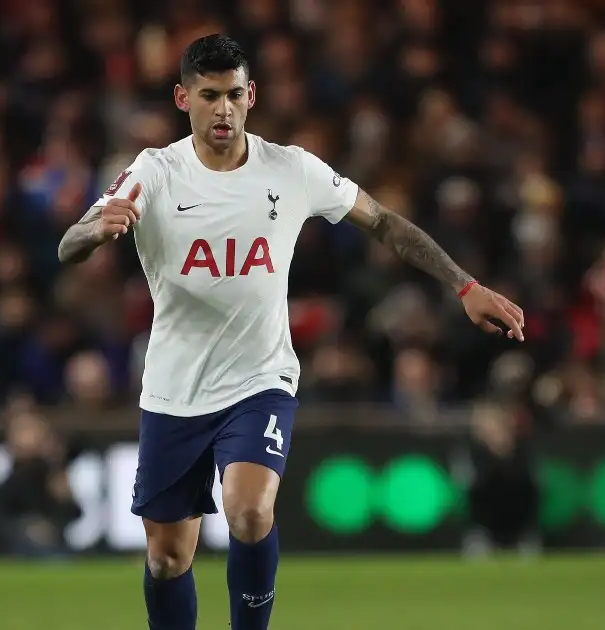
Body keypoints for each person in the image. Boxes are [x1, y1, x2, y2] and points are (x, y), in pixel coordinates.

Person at [57, 35, 525, 630]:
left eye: (233, 95)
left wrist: (464, 285)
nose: (222, 109)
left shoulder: (293, 168)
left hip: (261, 379)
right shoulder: (154, 171)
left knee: (249, 513)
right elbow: (69, 242)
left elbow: (382, 222)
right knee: (169, 556)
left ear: (251, 95)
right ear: (183, 98)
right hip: (174, 388)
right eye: (208, 96)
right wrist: (97, 231)